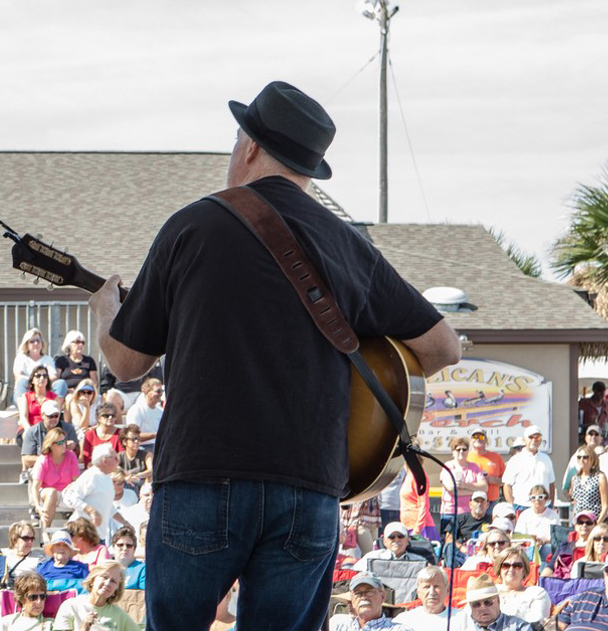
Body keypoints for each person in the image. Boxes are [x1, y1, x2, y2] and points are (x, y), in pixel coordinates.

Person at [90, 82, 460, 631]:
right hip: (310, 483)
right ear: (309, 167)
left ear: (250, 147)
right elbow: (442, 347)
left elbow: (125, 364)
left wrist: (104, 313)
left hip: (201, 475)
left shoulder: (191, 226)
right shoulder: (347, 243)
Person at [51, 562, 139, 631]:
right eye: (104, 577)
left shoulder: (119, 615)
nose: (107, 583)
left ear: (117, 588)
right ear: (93, 579)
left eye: (113, 581)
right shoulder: (70, 606)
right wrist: (84, 628)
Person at [34, 431, 82, 529]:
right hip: (47, 493)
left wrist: (71, 487)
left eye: (64, 441)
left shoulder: (71, 456)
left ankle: (73, 529)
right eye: (60, 443)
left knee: (78, 493)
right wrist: (37, 506)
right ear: (51, 445)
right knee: (52, 492)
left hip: (66, 492)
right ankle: (45, 531)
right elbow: (35, 487)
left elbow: (76, 481)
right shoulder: (43, 460)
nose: (64, 445)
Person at [453, 576, 533, 631]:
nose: (483, 608)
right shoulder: (460, 627)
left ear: (498, 601)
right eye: (476, 604)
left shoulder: (519, 626)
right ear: (470, 606)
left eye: (488, 602)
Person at [495, 546, 549, 626]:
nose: (511, 569)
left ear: (524, 570)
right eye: (506, 565)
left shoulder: (537, 593)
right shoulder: (490, 591)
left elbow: (536, 624)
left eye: (517, 566)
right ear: (499, 569)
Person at [328, 576, 407, 631]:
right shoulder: (339, 625)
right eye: (358, 593)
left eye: (369, 592)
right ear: (352, 600)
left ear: (382, 596)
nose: (363, 597)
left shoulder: (398, 629)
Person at [502, 430, 554, 510]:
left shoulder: (546, 459)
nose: (534, 440)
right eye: (531, 437)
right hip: (522, 506)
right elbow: (507, 485)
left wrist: (551, 505)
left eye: (537, 437)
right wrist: (513, 506)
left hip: (544, 506)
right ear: (524, 439)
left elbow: (551, 484)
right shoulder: (515, 460)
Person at [392, 566, 457, 631]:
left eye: (436, 586)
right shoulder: (403, 620)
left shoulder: (463, 618)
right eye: (427, 587)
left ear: (447, 590)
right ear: (418, 592)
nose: (432, 592)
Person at [13, 328, 64, 405]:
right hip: (27, 392)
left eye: (38, 341)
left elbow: (53, 376)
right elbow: (18, 376)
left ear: (42, 343)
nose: (36, 343)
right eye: (32, 341)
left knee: (61, 383)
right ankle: (25, 410)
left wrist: (41, 382)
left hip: (45, 392)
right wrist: (35, 381)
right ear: (26, 344)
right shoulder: (21, 358)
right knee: (21, 382)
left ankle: (55, 410)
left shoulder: (48, 359)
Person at [465, 431, 507, 503]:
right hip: (470, 501)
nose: (478, 439)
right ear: (471, 440)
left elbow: (506, 480)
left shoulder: (496, 457)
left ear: (486, 440)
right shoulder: (465, 457)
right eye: (475, 437)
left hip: (491, 501)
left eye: (481, 437)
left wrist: (495, 480)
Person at [122, 378, 163, 449]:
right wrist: (156, 435)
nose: (161, 394)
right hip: (141, 447)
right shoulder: (136, 409)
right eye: (158, 391)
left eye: (162, 391)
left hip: (159, 445)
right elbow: (133, 435)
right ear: (147, 392)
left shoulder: (160, 411)